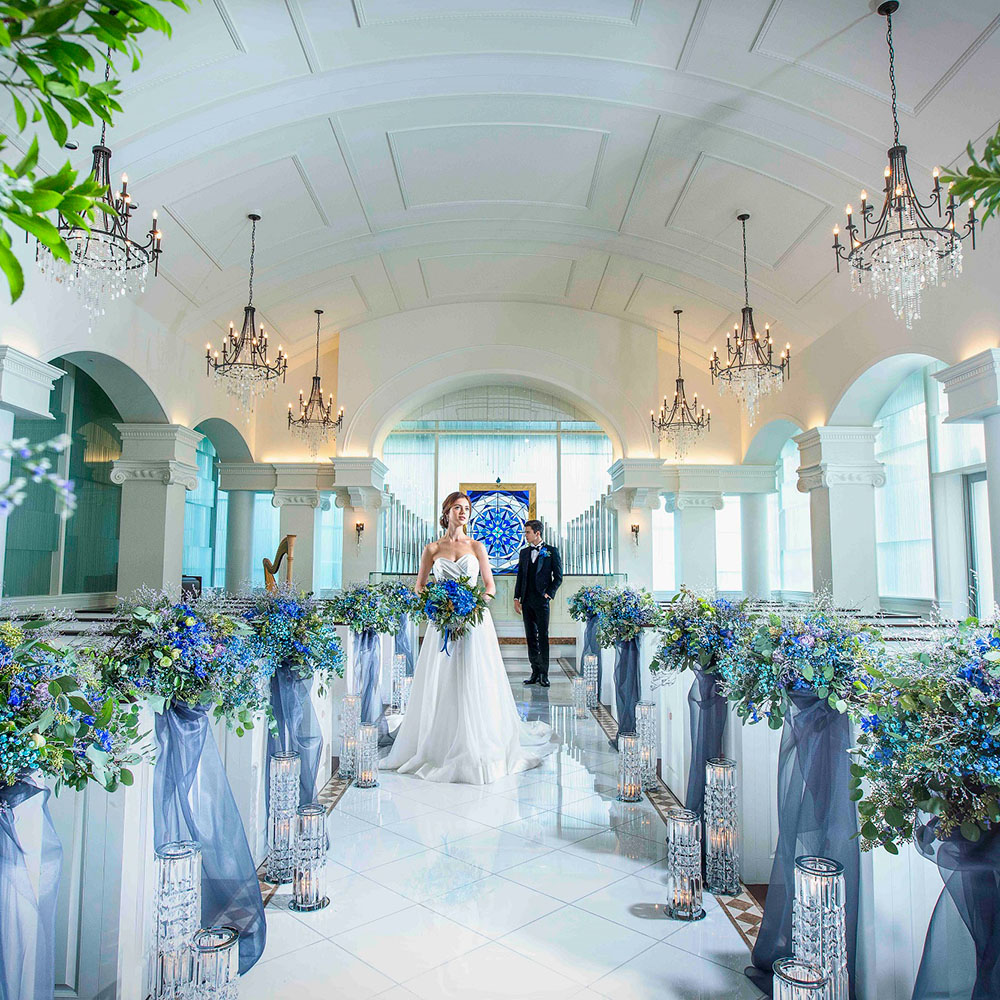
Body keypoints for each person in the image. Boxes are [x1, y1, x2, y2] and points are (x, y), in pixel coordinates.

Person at [381, 491, 553, 784]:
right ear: (446, 511)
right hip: (442, 623)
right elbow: (420, 587)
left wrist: (473, 605)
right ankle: (438, 741)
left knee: (475, 676)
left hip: (473, 622)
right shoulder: (432, 549)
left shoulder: (477, 546)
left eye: (467, 508)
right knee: (442, 678)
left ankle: (478, 741)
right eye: (458, 508)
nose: (463, 512)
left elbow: (490, 586)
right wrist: (437, 603)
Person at [513, 519, 563, 688]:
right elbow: (520, 577)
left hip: (542, 601)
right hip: (526, 600)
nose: (525, 535)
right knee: (530, 637)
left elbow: (558, 577)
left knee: (543, 636)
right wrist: (516, 598)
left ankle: (544, 674)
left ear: (537, 533)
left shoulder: (551, 551)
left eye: (527, 532)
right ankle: (534, 672)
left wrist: (549, 594)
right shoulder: (524, 552)